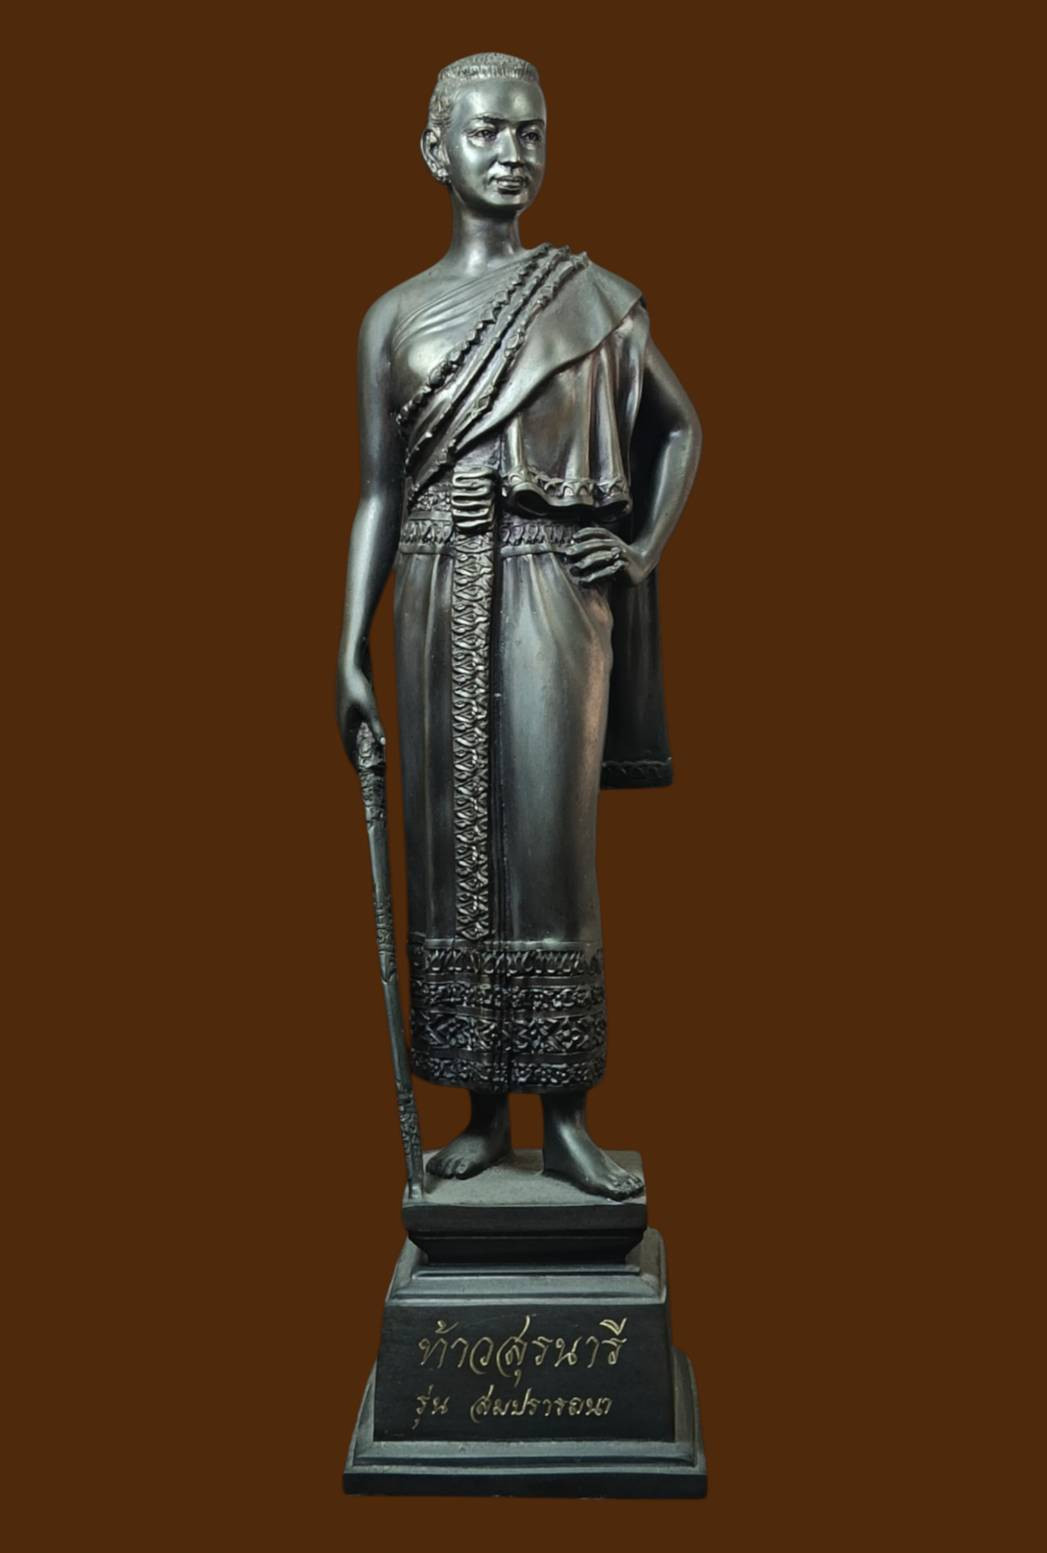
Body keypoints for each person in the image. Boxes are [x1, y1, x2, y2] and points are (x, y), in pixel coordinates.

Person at [336, 52, 701, 1199]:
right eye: (487, 132)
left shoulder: (592, 300)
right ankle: (484, 1114)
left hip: (552, 580)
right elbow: (377, 494)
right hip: (435, 580)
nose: (511, 153)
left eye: (529, 132)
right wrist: (347, 647)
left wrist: (637, 550)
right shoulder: (393, 319)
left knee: (549, 845)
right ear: (435, 151)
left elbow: (681, 429)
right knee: (452, 850)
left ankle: (569, 1114)